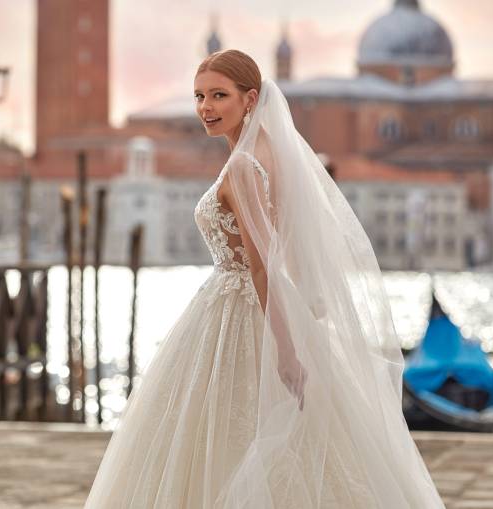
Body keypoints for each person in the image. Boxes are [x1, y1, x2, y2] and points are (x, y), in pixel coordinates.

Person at [84, 49, 445, 508]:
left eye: (219, 95)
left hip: (240, 311)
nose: (205, 108)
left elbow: (262, 262)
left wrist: (287, 352)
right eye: (199, 97)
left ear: (250, 98)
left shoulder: (242, 166)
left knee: (225, 436)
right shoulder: (270, 151)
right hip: (250, 304)